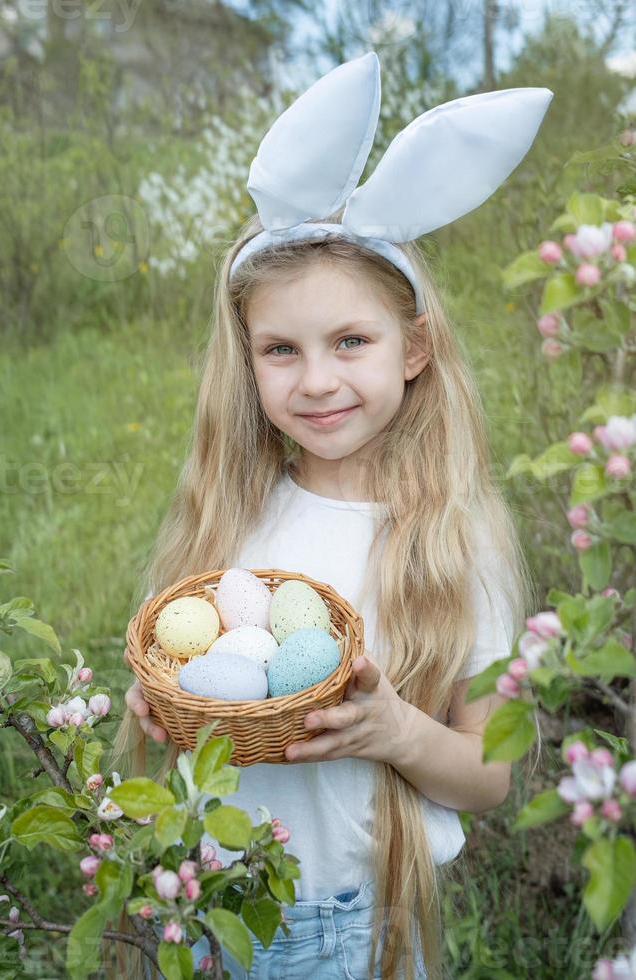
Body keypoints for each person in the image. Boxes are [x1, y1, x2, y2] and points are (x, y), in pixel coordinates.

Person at [110, 52, 551, 980]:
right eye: (280, 349)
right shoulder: (232, 517)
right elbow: (207, 685)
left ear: (414, 348)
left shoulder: (454, 543)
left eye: (350, 340)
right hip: (205, 897)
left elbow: (491, 773)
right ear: (248, 359)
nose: (316, 380)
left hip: (351, 922)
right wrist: (160, 704)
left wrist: (394, 730)